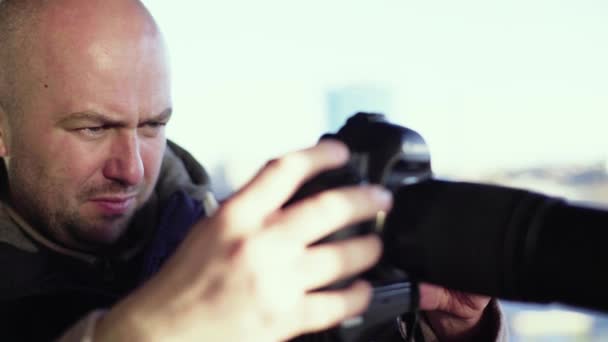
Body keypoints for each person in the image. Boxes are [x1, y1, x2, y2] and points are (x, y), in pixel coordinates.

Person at [0, 0, 506, 340]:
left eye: (153, 125)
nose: (131, 169)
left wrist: (448, 331)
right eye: (91, 128)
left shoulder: (232, 241)